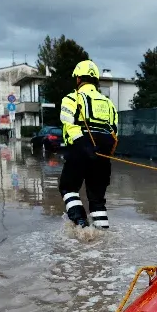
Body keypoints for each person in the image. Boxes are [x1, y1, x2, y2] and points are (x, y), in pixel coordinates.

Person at [58, 60, 120, 229]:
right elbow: (114, 132)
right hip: (103, 154)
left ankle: (81, 227)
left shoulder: (72, 98)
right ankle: (103, 235)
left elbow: (68, 124)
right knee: (97, 200)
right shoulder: (109, 103)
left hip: (81, 149)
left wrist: (84, 146)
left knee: (68, 187)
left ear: (78, 78)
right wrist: (106, 155)